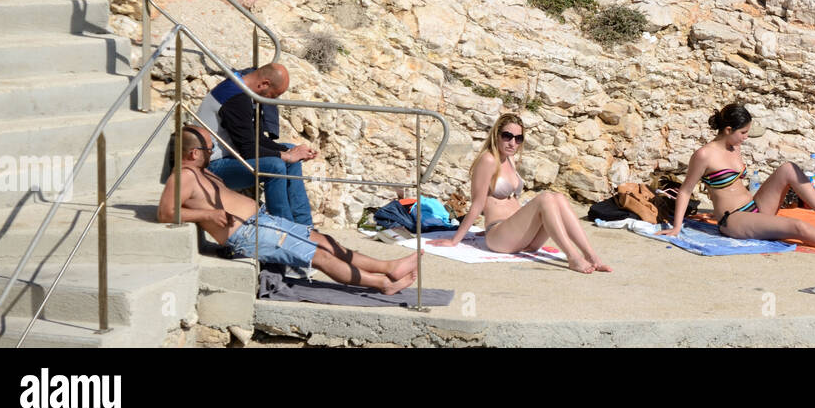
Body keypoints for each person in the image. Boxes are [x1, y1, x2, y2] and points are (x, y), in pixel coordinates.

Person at [159, 125, 419, 293]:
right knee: (321, 256)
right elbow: (166, 212)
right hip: (245, 235)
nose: (214, 151)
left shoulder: (201, 172)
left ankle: (388, 267)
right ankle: (383, 283)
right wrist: (206, 214)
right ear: (193, 153)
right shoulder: (182, 177)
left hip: (261, 222)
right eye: (209, 147)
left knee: (327, 241)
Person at [658, 103, 815, 253]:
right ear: (728, 129)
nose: (746, 137)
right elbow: (685, 191)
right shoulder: (704, 155)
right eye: (743, 132)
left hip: (754, 206)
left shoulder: (734, 146)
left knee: (788, 168)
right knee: (797, 227)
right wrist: (677, 227)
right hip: (732, 219)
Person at [433, 113, 613, 274]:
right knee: (545, 199)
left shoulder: (510, 159)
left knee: (557, 197)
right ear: (496, 135)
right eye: (507, 136)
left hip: (523, 236)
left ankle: (591, 256)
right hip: (499, 236)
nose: (513, 143)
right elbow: (478, 203)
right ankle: (573, 257)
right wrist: (455, 240)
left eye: (518, 139)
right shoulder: (488, 160)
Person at [197, 63, 316, 227]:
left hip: (231, 155)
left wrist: (292, 151)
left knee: (290, 152)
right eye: (273, 95)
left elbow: (257, 139)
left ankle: (306, 227)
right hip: (210, 167)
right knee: (275, 165)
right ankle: (286, 230)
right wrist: (287, 156)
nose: (271, 100)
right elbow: (249, 150)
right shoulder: (236, 97)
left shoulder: (245, 92)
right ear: (264, 84)